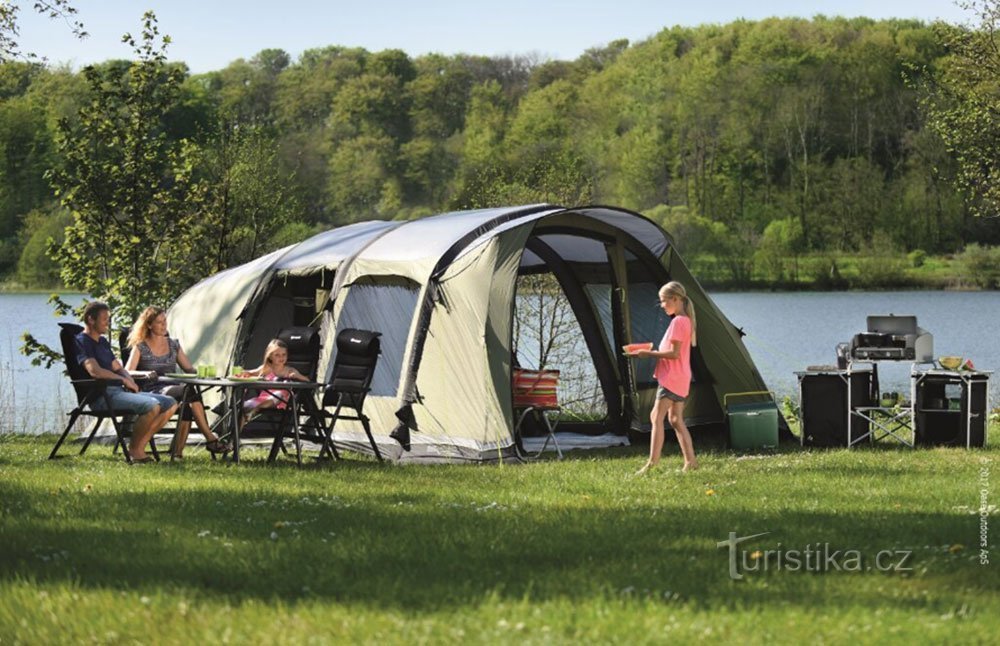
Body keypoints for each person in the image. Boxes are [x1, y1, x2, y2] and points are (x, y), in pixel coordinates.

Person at [74, 301, 177, 464]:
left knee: (170, 403)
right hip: (101, 396)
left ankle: (139, 446)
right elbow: (95, 371)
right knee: (152, 405)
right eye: (104, 319)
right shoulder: (82, 341)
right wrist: (122, 379)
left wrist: (128, 378)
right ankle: (135, 451)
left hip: (118, 393)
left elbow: (118, 367)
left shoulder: (102, 342)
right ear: (90, 319)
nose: (108, 323)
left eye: (109, 319)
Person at [125, 306, 229, 459]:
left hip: (172, 389)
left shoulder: (173, 345)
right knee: (186, 391)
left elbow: (189, 369)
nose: (164, 325)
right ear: (149, 325)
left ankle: (177, 453)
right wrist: (144, 373)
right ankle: (210, 438)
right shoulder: (141, 347)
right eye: (159, 322)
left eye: (165, 321)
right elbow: (127, 371)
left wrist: (202, 374)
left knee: (187, 401)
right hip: (150, 391)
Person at [633, 281, 699, 474]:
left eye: (664, 301)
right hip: (681, 377)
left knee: (656, 417)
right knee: (676, 419)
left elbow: (674, 354)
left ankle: (652, 464)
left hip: (672, 377)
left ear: (675, 299)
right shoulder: (685, 320)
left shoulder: (679, 321)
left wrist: (648, 354)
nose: (662, 305)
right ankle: (691, 462)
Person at [238, 338, 309, 427]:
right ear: (270, 356)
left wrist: (297, 376)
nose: (281, 357)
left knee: (279, 393)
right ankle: (234, 437)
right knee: (244, 407)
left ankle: (255, 408)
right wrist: (243, 372)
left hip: (281, 401)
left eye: (284, 354)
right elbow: (251, 373)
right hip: (262, 399)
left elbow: (307, 381)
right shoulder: (266, 368)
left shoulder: (289, 370)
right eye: (277, 355)